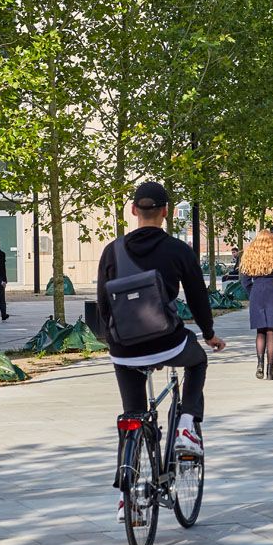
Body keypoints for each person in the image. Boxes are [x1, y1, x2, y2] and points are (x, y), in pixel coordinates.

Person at [96, 183, 226, 521]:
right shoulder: (177, 249)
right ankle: (186, 424)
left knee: (132, 414)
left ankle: (130, 496)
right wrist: (209, 334)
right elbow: (198, 298)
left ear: (133, 210)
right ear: (166, 212)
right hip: (167, 342)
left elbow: (102, 304)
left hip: (124, 349)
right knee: (198, 361)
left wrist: (112, 341)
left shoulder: (112, 250)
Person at [241, 230, 273, 380]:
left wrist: (252, 292)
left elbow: (244, 280)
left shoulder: (249, 256)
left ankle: (260, 363)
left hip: (257, 292)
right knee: (271, 332)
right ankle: (270, 371)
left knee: (260, 332)